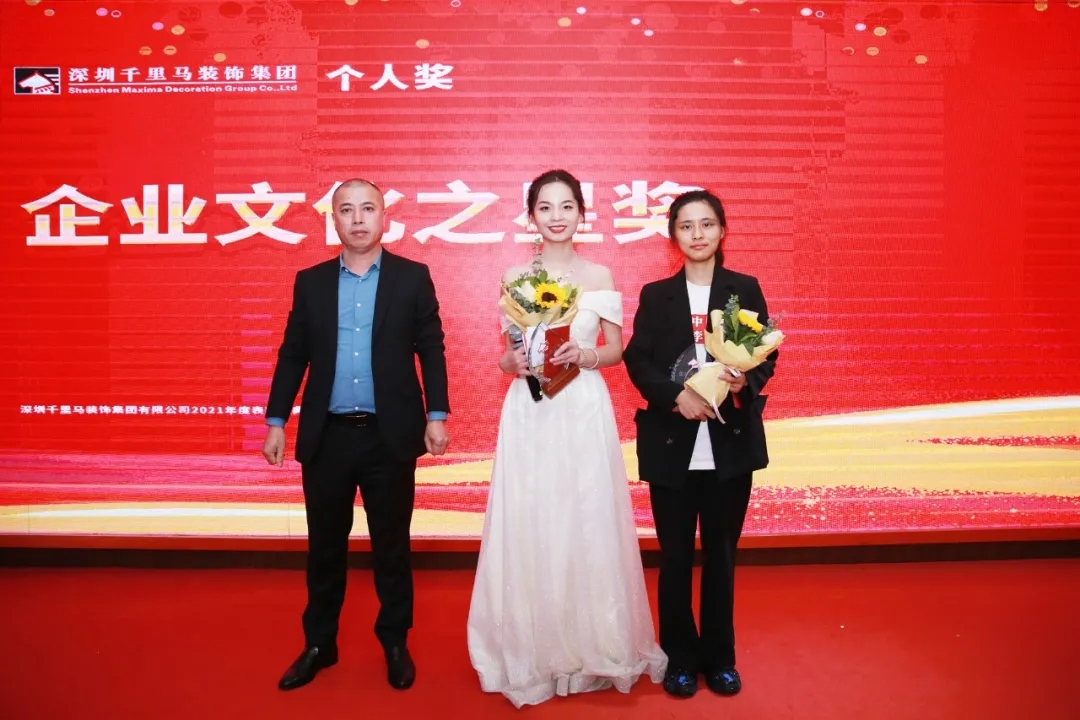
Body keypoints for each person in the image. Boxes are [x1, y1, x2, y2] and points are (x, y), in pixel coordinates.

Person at [467, 169, 667, 708]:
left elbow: (616, 350)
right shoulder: (514, 276)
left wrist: (585, 355)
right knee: (532, 513)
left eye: (567, 207)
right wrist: (513, 363)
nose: (556, 217)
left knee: (585, 514)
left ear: (582, 212)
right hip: (531, 408)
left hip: (581, 405)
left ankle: (593, 644)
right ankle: (534, 647)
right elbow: (506, 355)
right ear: (530, 215)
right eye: (545, 207)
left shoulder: (598, 274)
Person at [262, 178, 451, 692]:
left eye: (368, 208)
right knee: (325, 546)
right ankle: (319, 644)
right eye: (347, 210)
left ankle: (395, 640)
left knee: (392, 545)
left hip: (389, 436)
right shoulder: (311, 282)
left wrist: (437, 414)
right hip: (328, 436)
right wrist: (276, 421)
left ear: (384, 217)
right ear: (335, 220)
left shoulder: (412, 278)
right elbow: (293, 354)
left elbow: (430, 348)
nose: (358, 218)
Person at [623, 189, 777, 699]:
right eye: (686, 225)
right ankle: (680, 660)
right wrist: (676, 398)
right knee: (674, 559)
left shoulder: (744, 288)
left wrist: (743, 381)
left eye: (706, 224)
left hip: (729, 447)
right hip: (673, 446)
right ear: (673, 236)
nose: (697, 234)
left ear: (722, 230)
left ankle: (720, 659)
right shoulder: (655, 295)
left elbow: (765, 353)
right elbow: (638, 361)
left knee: (721, 556)